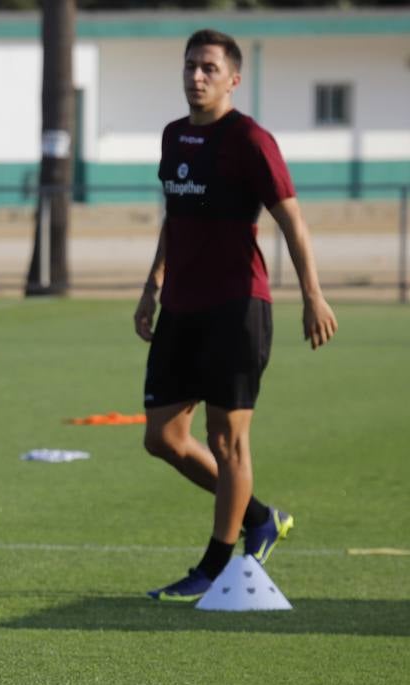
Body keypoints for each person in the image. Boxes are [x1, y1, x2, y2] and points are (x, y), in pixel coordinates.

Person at [134, 29, 338, 601]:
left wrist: (313, 295)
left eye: (208, 68)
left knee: (228, 443)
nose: (196, 76)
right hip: (180, 308)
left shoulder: (250, 139)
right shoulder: (174, 137)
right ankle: (259, 517)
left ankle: (216, 565)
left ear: (233, 79)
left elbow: (292, 222)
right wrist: (153, 284)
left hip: (237, 308)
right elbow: (174, 219)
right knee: (162, 437)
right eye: (190, 66)